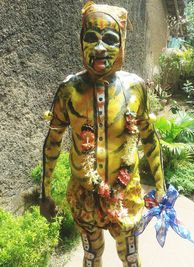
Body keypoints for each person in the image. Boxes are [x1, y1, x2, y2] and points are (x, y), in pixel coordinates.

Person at [40, 1, 166, 266]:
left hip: (125, 195)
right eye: (91, 38)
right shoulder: (69, 90)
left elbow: (149, 138)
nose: (99, 48)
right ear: (81, 41)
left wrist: (161, 186)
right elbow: (53, 140)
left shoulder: (135, 88)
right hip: (84, 195)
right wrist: (46, 192)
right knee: (90, 255)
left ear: (121, 44)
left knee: (130, 257)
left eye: (109, 39)